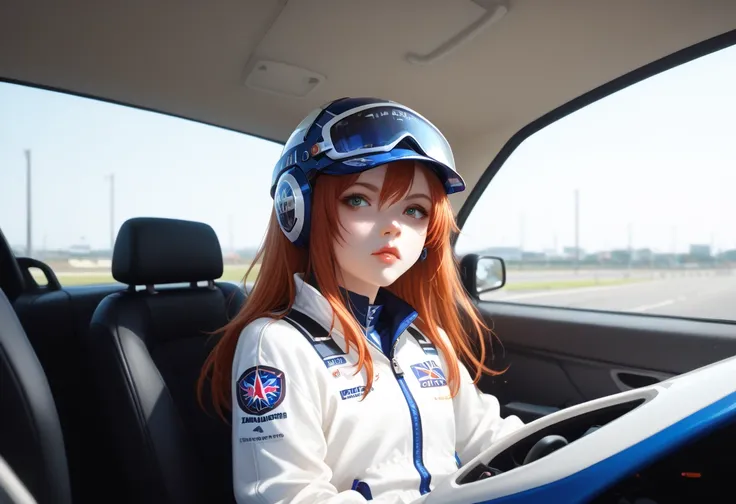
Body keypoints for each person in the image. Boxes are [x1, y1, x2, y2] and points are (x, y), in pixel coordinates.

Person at [198, 97, 524, 503]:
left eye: (415, 210)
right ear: (297, 210)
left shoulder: (424, 337)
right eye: (359, 200)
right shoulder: (276, 344)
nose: (393, 228)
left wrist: (567, 446)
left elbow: (490, 439)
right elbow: (287, 497)